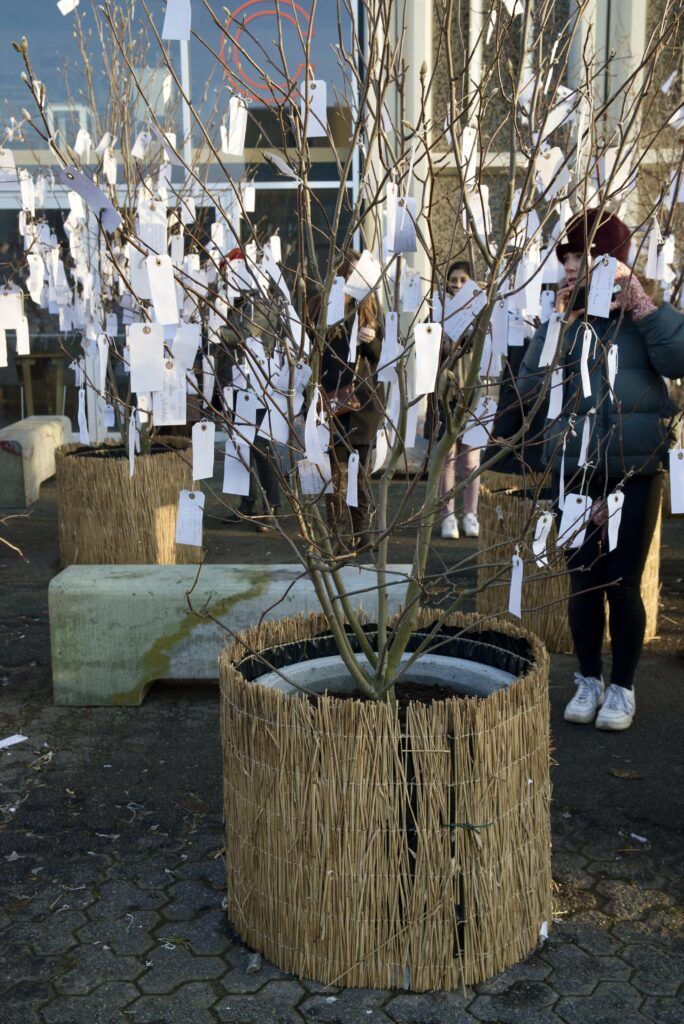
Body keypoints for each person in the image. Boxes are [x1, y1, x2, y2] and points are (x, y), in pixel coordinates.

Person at [517, 209, 684, 730]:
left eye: (581, 258)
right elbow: (528, 389)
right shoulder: (565, 320)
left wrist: (642, 305)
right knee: (582, 579)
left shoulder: (647, 318)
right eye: (565, 258)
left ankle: (623, 687)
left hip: (634, 472)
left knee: (622, 581)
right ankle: (588, 678)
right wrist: (556, 325)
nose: (570, 268)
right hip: (575, 470)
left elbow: (678, 360)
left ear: (611, 262)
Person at [316, 252, 383, 553]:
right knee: (335, 472)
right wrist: (348, 340)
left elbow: (382, 359)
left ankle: (363, 533)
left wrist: (370, 341)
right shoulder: (325, 312)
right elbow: (321, 356)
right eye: (349, 276)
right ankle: (337, 535)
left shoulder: (368, 312)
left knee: (358, 471)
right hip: (332, 403)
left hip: (363, 406)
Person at [217, 248, 282, 530]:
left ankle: (272, 506)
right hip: (236, 385)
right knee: (241, 447)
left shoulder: (259, 304)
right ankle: (247, 504)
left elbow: (242, 336)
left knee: (260, 447)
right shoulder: (237, 301)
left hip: (257, 386)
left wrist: (214, 326)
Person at [435, 260, 481, 539]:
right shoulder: (438, 313)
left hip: (473, 393)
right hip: (445, 394)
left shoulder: (480, 313)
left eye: (463, 280)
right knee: (448, 458)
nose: (457, 284)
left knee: (471, 460)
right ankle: (448, 516)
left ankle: (471, 514)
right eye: (453, 279)